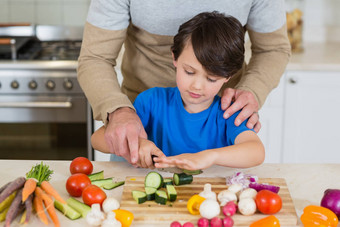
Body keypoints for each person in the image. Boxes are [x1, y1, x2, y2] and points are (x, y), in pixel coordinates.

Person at [78, 1, 290, 165]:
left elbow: (255, 151)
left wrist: (209, 157)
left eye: (211, 78)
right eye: (189, 71)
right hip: (136, 126)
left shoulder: (225, 115)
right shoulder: (149, 102)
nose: (197, 86)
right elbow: (94, 58)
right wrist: (123, 120)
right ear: (175, 59)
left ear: (227, 75)